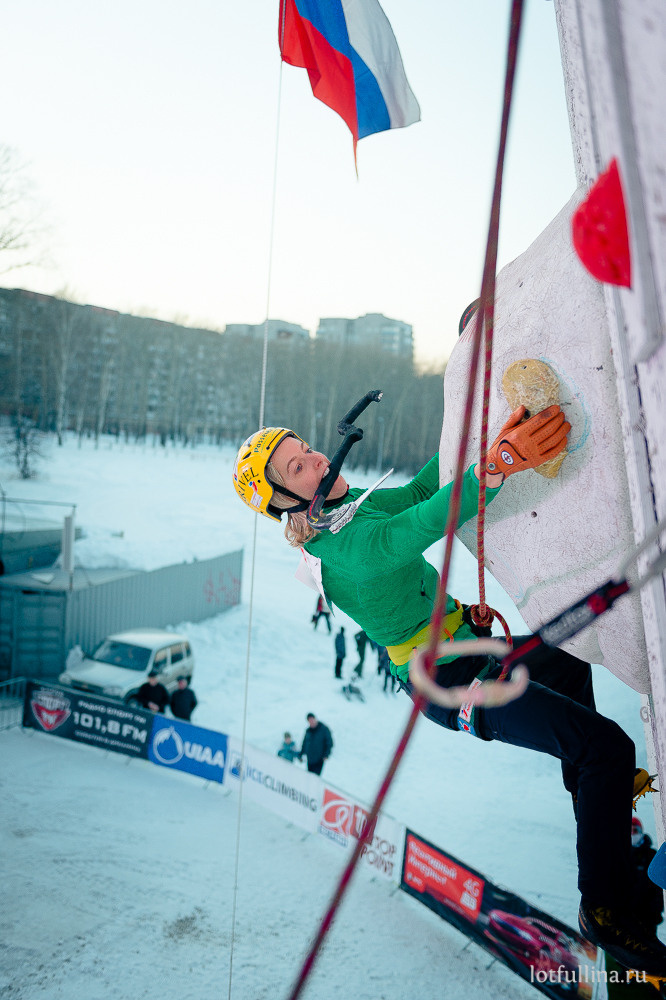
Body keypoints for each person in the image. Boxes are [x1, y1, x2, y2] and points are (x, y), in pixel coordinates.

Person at [232, 413, 666, 976]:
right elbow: (426, 519)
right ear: (286, 501)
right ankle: (603, 910)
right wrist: (496, 464)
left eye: (309, 448)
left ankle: (591, 789)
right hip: (449, 682)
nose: (318, 459)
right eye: (298, 467)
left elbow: (420, 491)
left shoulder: (347, 511)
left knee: (568, 660)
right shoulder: (346, 548)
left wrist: (472, 420)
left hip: (463, 649)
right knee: (606, 749)